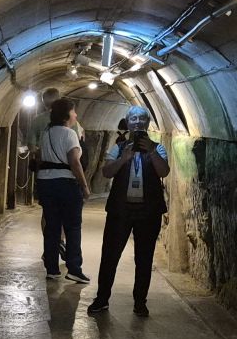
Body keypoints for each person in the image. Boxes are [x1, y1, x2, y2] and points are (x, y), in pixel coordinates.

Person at [87, 105, 168, 316]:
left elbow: (164, 171)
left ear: (148, 123)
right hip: (120, 210)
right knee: (110, 255)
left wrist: (150, 150)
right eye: (133, 119)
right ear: (127, 123)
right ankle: (102, 299)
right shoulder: (119, 147)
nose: (138, 123)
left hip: (148, 211)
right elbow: (106, 172)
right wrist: (124, 158)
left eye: (142, 119)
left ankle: (140, 302)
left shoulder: (157, 148)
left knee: (144, 258)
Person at [36, 97, 91, 283]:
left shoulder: (47, 133)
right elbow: (74, 162)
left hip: (45, 183)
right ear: (67, 114)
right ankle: (74, 268)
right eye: (74, 111)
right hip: (66, 184)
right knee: (72, 226)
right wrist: (84, 186)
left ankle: (52, 268)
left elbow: (40, 156)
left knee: (52, 226)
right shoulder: (70, 134)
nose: (75, 114)